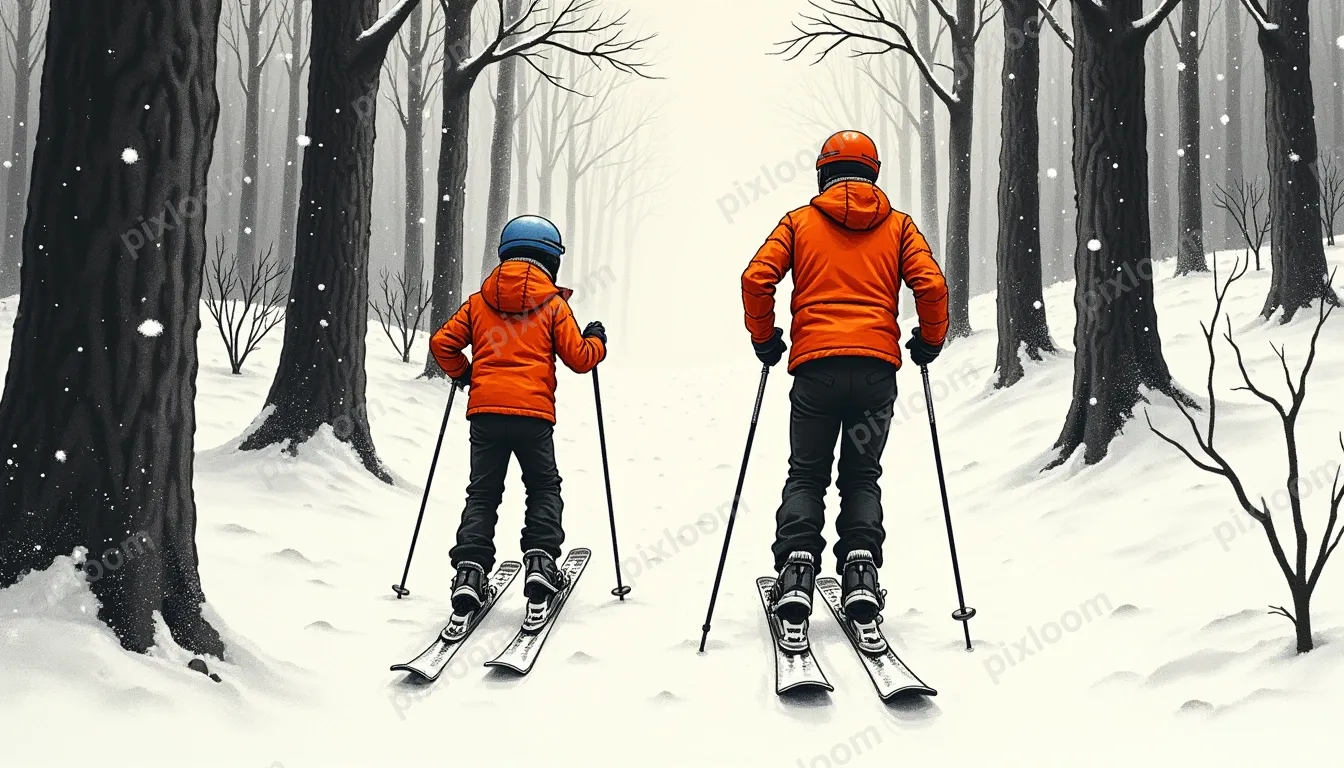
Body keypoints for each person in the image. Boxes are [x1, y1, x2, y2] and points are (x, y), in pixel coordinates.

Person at [741, 130, 949, 653]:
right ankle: (860, 573)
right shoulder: (899, 227)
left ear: (823, 172)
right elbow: (932, 286)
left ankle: (795, 572)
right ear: (873, 173)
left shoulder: (799, 222)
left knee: (807, 473)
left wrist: (765, 338)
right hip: (876, 373)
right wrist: (929, 340)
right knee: (861, 475)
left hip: (817, 371)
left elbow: (755, 279)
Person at [430, 214, 607, 629]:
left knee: (483, 493)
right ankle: (541, 566)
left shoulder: (478, 302)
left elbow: (443, 343)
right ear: (551, 259)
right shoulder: (553, 305)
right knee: (543, 487)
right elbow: (580, 359)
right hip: (533, 417)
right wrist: (597, 340)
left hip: (486, 415)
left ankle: (470, 572)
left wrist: (465, 374)